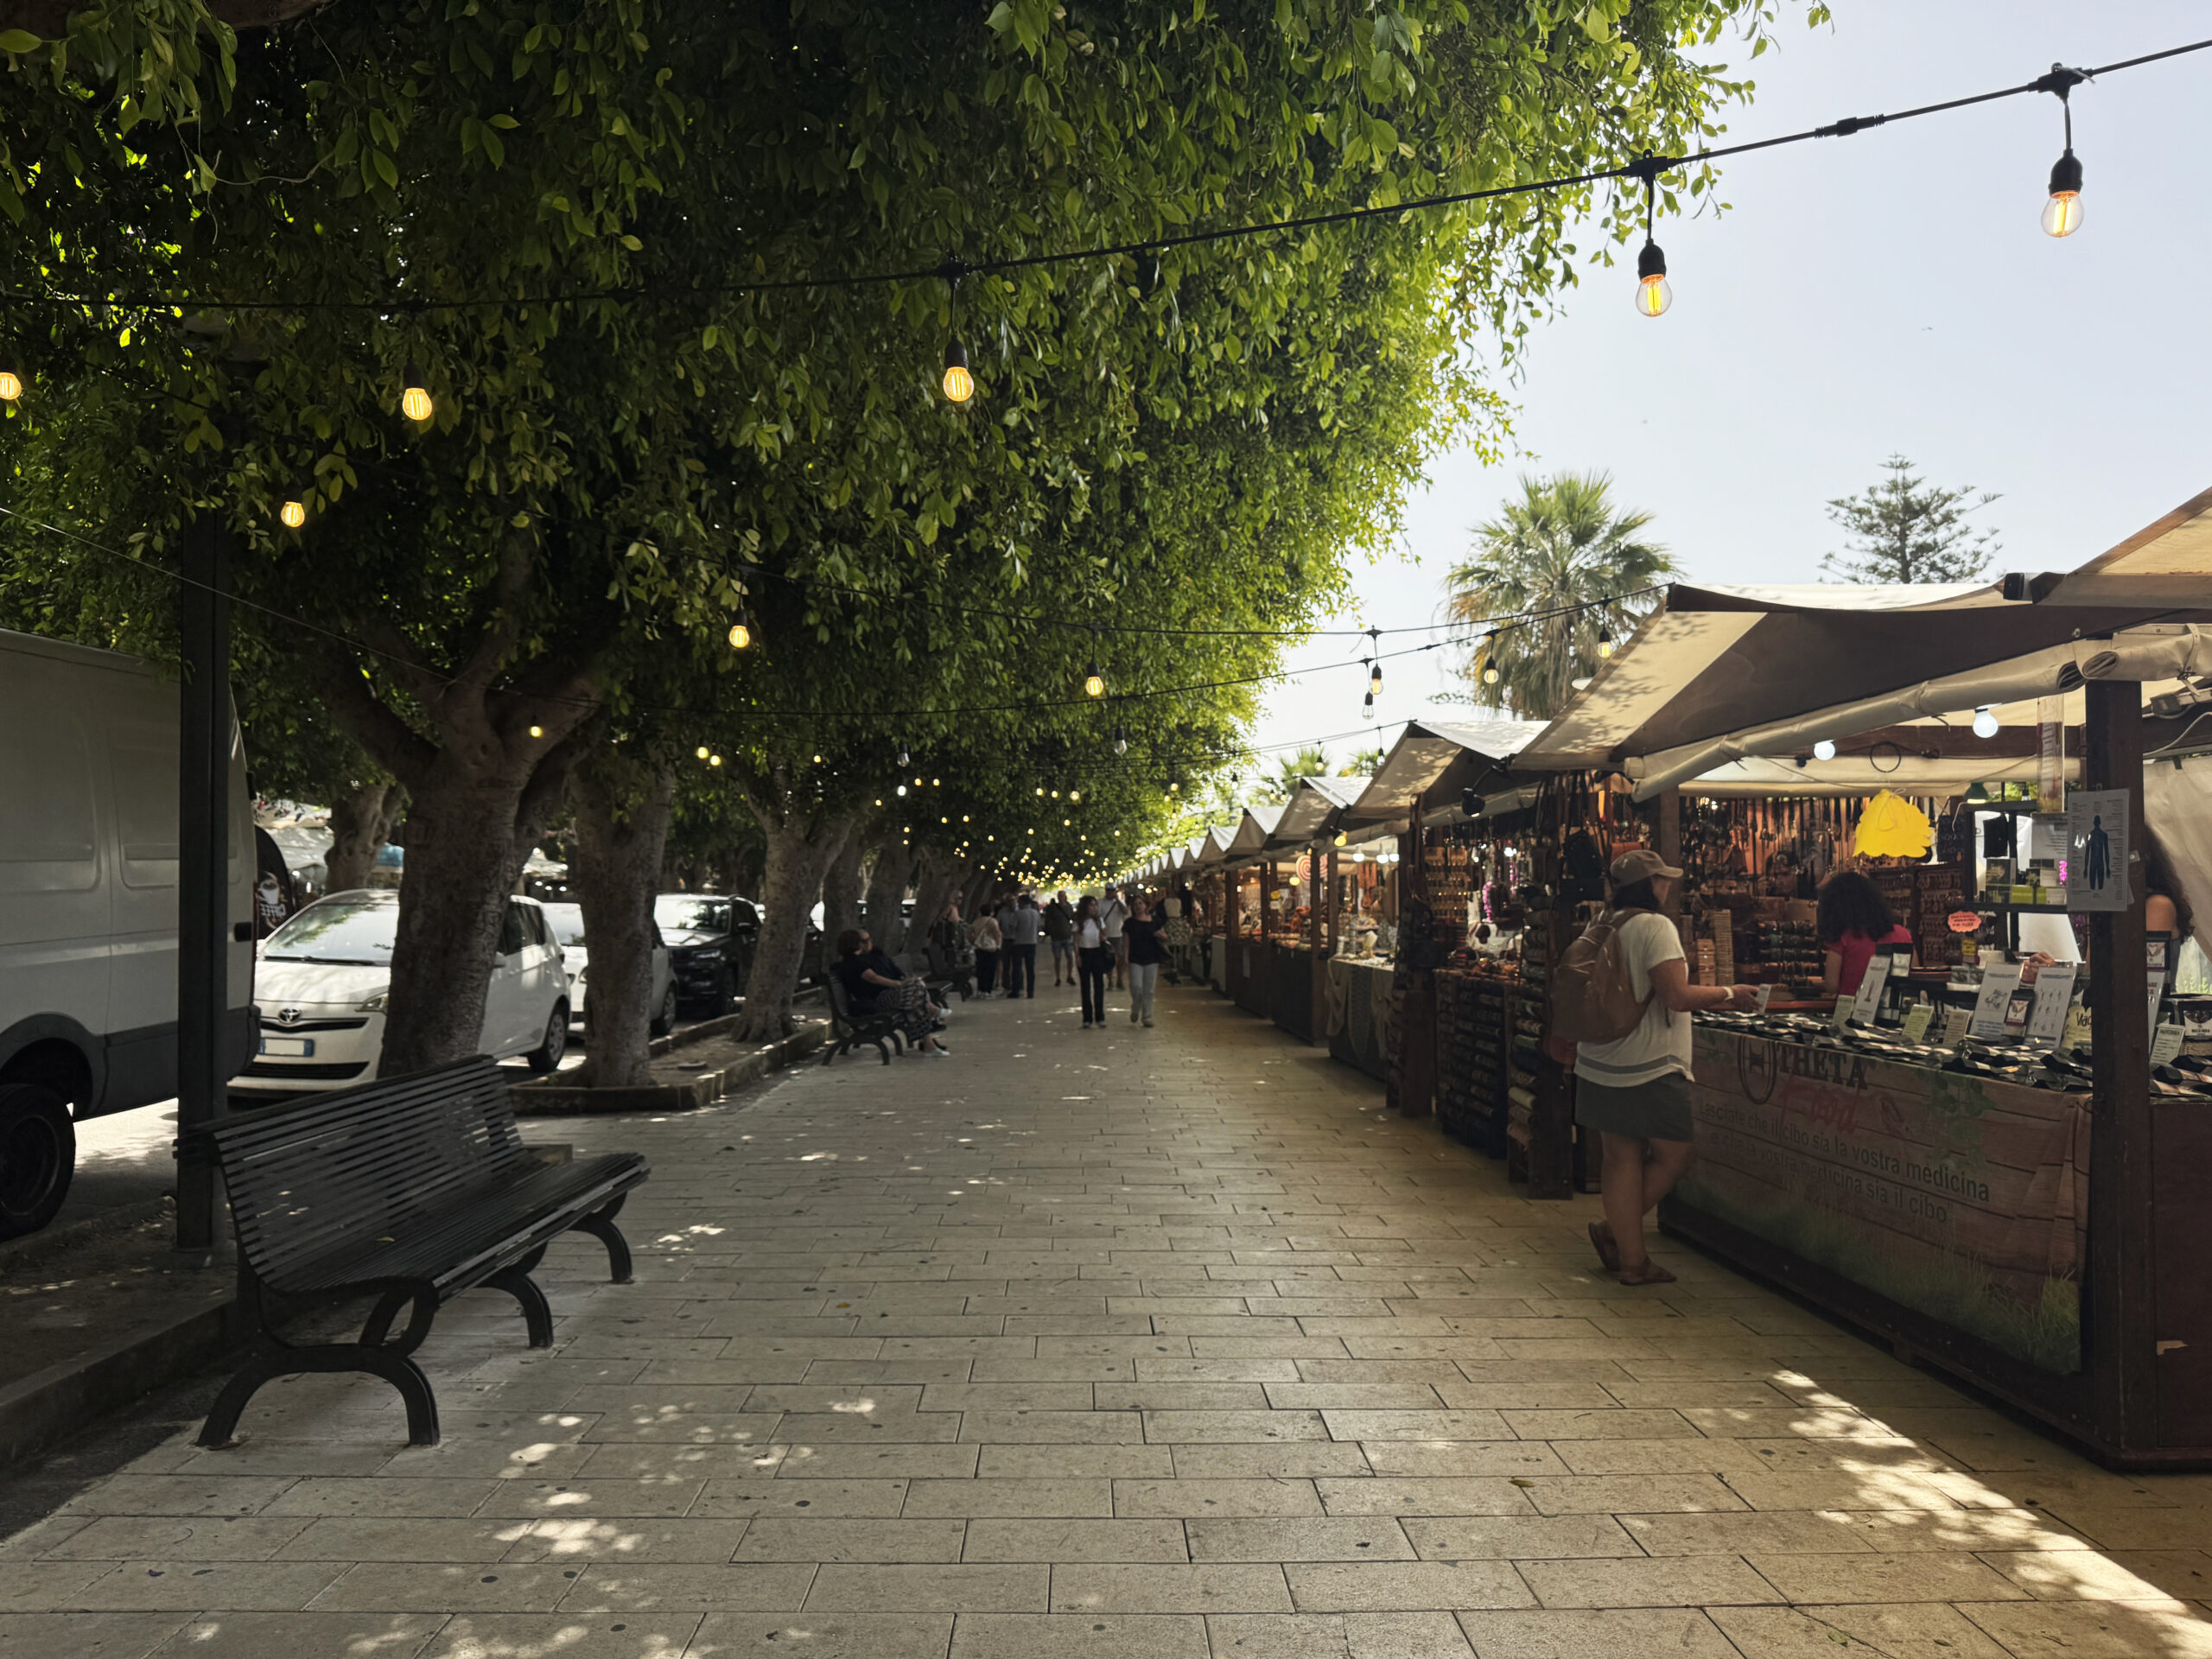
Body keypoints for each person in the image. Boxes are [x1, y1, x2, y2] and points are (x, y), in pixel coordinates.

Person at [1573, 850, 1758, 1287]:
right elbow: (1676, 996)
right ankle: (1620, 1239)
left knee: (1620, 1158)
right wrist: (1730, 992)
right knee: (1676, 1155)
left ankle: (1632, 1259)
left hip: (1599, 1057)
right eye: (1662, 880)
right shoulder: (1655, 927)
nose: (1667, 887)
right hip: (1648, 1061)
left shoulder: (1598, 925)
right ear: (1649, 886)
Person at [834, 928, 948, 1056]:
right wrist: (899, 984)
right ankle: (932, 1015)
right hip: (875, 1001)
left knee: (915, 1002)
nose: (866, 943)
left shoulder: (856, 960)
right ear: (854, 943)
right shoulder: (853, 963)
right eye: (862, 941)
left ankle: (929, 1044)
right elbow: (874, 978)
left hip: (880, 998)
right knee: (915, 994)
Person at [1816, 869, 1914, 997]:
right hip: (1895, 1010)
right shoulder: (1903, 934)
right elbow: (1913, 976)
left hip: (1853, 1010)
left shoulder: (1843, 938)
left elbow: (1831, 985)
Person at [1124, 894, 1165, 1026]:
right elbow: (1126, 942)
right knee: (1136, 986)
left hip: (1152, 957)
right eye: (1135, 904)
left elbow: (1165, 936)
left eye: (1140, 903)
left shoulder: (1155, 921)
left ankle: (1147, 1016)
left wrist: (1160, 935)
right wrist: (1125, 957)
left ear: (1146, 905)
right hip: (1135, 958)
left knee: (1149, 989)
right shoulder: (1129, 923)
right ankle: (1136, 1006)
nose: (1138, 906)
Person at [1074, 894, 1111, 1028]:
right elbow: (1076, 940)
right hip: (1084, 953)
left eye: (1095, 905)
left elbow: (1105, 934)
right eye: (1091, 905)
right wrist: (1077, 956)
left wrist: (1103, 937)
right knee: (1085, 986)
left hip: (1097, 953)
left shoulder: (1099, 920)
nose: (1094, 908)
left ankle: (1100, 1016)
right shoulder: (1079, 921)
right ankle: (1087, 1017)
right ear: (1085, 906)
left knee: (1099, 985)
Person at [1002, 892, 1041, 998]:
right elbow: (1039, 926)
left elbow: (1012, 926)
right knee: (1030, 969)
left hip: (1019, 943)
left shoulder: (1018, 913)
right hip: (1032, 942)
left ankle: (1015, 991)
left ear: (1022, 903)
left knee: (1017, 968)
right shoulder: (1035, 913)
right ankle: (1030, 991)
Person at [1159, 891, 1192, 985]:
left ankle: (1173, 967)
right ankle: (1174, 967)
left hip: (1171, 924)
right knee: (1175, 946)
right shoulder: (1178, 902)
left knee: (1170, 946)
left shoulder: (1166, 902)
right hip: (1177, 924)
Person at [1100, 884, 1130, 989]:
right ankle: (1110, 981)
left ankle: (1120, 979)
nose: (1110, 892)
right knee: (1108, 959)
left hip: (1118, 934)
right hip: (1106, 935)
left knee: (1120, 958)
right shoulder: (1101, 903)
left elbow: (1126, 912)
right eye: (1108, 890)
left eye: (1112, 890)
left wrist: (1118, 900)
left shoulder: (1119, 903)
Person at [1044, 889, 1076, 987]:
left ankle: (1069, 976)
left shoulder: (1069, 907)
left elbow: (1073, 918)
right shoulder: (1053, 908)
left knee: (1070, 957)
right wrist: (1050, 931)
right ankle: (1058, 977)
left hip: (1067, 935)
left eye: (1063, 896)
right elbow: (1048, 920)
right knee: (1057, 958)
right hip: (1056, 937)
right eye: (1060, 896)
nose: (1062, 898)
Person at [969, 906, 1002, 997]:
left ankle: (980, 989)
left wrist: (973, 942)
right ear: (991, 912)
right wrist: (998, 945)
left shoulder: (976, 921)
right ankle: (988, 990)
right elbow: (997, 934)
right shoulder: (992, 921)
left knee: (981, 969)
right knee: (990, 969)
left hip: (979, 948)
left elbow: (969, 933)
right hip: (991, 948)